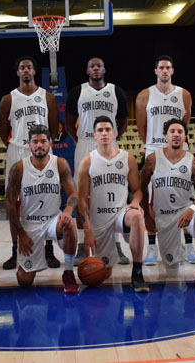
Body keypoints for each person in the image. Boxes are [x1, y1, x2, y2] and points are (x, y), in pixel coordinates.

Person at [65, 57, 129, 266]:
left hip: (109, 142)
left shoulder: (116, 91)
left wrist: (112, 137)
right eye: (92, 65)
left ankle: (116, 244)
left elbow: (123, 121)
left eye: (99, 65)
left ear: (104, 69)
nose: (95, 68)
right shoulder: (78, 92)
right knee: (81, 195)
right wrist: (80, 141)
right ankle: (83, 247)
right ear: (87, 70)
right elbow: (68, 122)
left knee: (114, 195)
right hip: (85, 142)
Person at [140, 118, 195, 290]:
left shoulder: (194, 162)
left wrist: (192, 208)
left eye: (180, 132)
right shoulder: (153, 159)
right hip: (164, 216)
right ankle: (178, 253)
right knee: (172, 273)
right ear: (165, 136)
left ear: (184, 137)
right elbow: (142, 186)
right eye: (172, 132)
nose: (176, 135)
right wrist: (146, 214)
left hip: (186, 211)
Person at [0, 57, 59, 270]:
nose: (26, 71)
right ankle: (16, 250)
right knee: (13, 201)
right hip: (17, 149)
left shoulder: (47, 97)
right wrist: (17, 145)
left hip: (41, 149)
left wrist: (42, 144)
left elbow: (53, 127)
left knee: (47, 196)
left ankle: (48, 249)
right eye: (22, 68)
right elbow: (4, 131)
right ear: (17, 73)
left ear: (34, 71)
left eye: (29, 67)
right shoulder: (8, 99)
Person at [77, 116, 149, 293]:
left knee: (137, 216)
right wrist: (86, 230)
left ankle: (137, 272)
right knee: (102, 273)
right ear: (94, 135)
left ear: (114, 133)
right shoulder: (87, 161)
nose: (104, 133)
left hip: (120, 214)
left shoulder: (127, 158)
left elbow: (137, 190)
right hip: (98, 218)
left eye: (108, 130)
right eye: (100, 130)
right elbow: (82, 200)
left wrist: (135, 203)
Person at [5, 125, 79, 293]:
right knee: (24, 281)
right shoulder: (19, 168)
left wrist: (67, 211)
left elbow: (73, 194)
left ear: (50, 143)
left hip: (53, 220)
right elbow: (9, 203)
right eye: (35, 142)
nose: (39, 145)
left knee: (69, 224)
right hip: (29, 224)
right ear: (29, 145)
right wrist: (20, 235)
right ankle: (33, 262)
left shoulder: (59, 164)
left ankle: (68, 272)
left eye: (43, 141)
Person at [135, 56, 192, 266]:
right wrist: (152, 144)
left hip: (178, 150)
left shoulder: (184, 94)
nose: (165, 71)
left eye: (168, 67)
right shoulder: (144, 95)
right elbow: (142, 126)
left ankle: (189, 243)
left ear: (172, 71)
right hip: (155, 149)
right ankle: (151, 246)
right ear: (156, 71)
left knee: (185, 196)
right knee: (152, 199)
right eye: (161, 68)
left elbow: (183, 125)